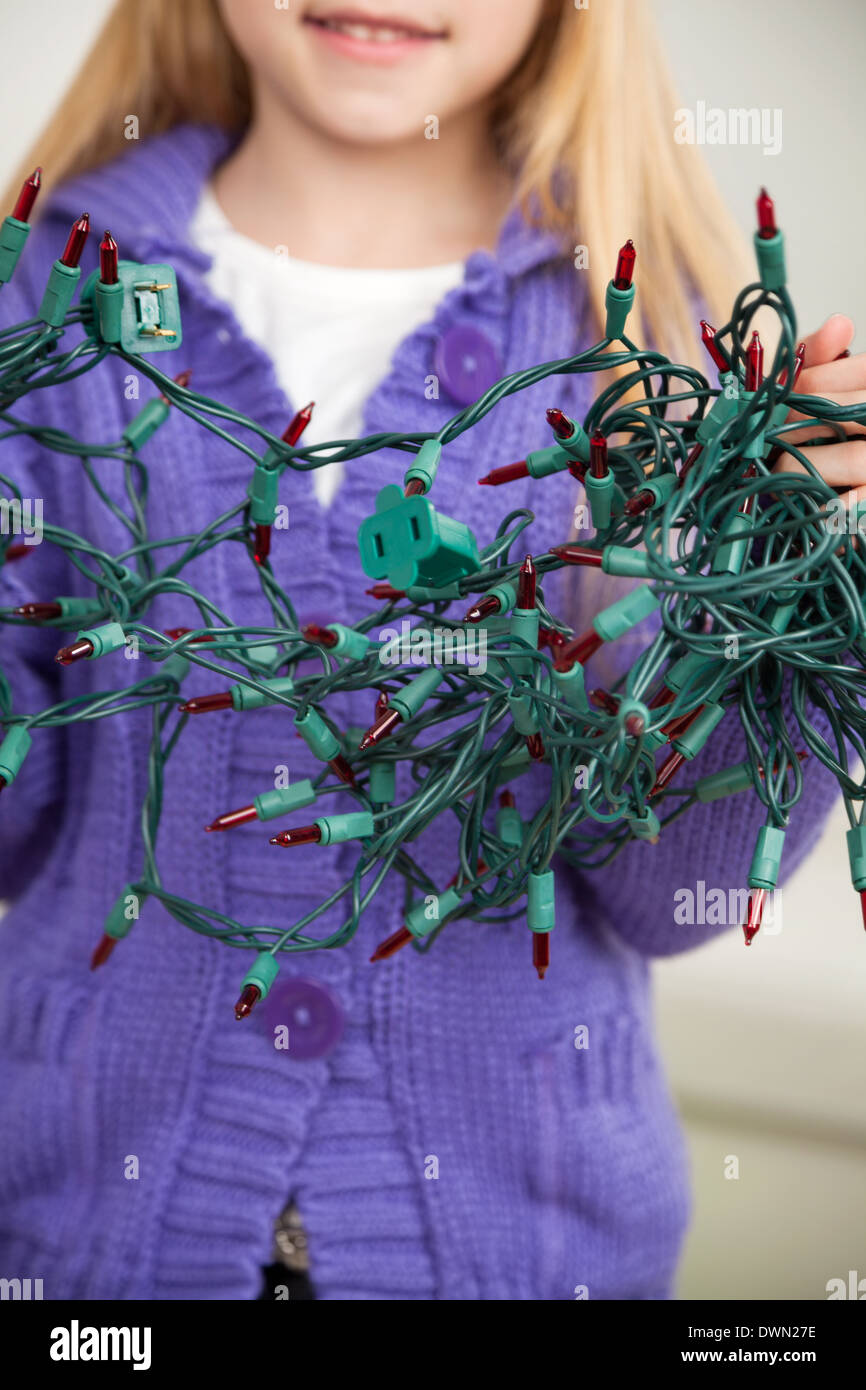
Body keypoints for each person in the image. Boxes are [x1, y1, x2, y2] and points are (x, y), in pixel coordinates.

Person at [0, 0, 856, 1301]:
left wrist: (775, 578)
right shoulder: (52, 297)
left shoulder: (645, 332)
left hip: (526, 1254)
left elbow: (668, 880)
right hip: (81, 1255)